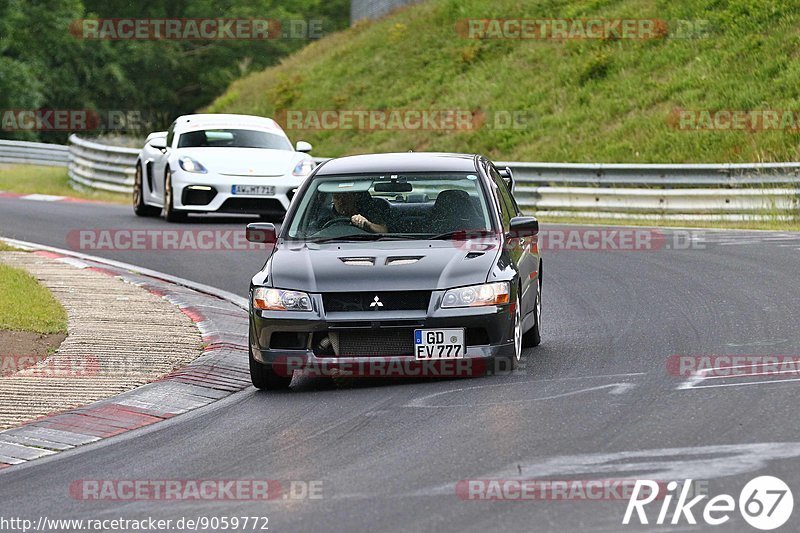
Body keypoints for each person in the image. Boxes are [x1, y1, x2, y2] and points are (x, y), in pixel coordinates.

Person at [317, 191, 389, 233]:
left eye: (345, 197)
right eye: (337, 197)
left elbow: (383, 231)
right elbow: (313, 235)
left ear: (354, 197)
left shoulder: (369, 212)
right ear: (332, 200)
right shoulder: (326, 216)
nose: (341, 201)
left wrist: (367, 224)